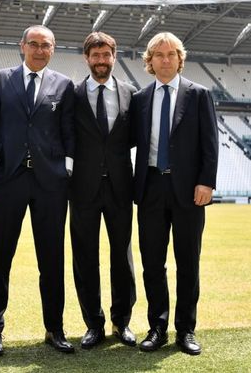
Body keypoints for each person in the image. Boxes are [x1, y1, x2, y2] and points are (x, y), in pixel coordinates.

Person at [0, 25, 76, 356]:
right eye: (33, 44)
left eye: (45, 45)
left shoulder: (64, 84)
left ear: (53, 49)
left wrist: (66, 167)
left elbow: (68, 130)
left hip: (50, 184)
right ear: (22, 46)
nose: (39, 50)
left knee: (52, 259)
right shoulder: (0, 79)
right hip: (8, 179)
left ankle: (55, 328)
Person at [130, 32, 218, 355]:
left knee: (188, 263)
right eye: (158, 55)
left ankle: (186, 330)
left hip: (189, 192)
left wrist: (206, 182)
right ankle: (157, 327)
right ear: (149, 62)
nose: (165, 60)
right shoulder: (140, 99)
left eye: (171, 54)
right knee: (152, 263)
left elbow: (210, 142)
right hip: (151, 187)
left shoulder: (199, 95)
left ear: (180, 59)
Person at [69, 32, 137, 349]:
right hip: (82, 189)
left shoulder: (130, 95)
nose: (100, 60)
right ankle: (93, 324)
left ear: (114, 55)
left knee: (122, 258)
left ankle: (121, 322)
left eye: (105, 54)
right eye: (94, 55)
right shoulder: (73, 94)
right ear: (87, 58)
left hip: (121, 188)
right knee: (85, 258)